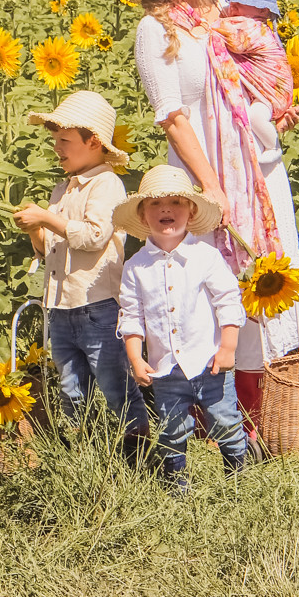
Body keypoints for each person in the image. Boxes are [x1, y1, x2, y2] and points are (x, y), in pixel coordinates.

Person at [101, 0, 299, 431]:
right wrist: (211, 188)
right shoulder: (155, 31)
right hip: (203, 178)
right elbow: (172, 117)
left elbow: (260, 68)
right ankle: (216, 420)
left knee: (264, 276)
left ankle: (272, 415)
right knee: (210, 288)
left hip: (259, 170)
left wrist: (280, 109)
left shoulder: (225, 9)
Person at [13, 90, 149, 442]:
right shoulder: (63, 189)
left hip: (97, 306)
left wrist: (45, 216)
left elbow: (92, 237)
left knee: (114, 386)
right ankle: (83, 455)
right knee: (71, 391)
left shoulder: (107, 184)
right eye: (55, 140)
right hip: (60, 306)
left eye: (64, 140)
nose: (57, 148)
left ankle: (139, 453)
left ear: (93, 141)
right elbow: (49, 250)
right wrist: (35, 230)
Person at [116, 165, 249, 491]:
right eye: (155, 203)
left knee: (224, 421)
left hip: (210, 363)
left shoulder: (206, 257)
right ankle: (177, 489)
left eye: (176, 201)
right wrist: (136, 360)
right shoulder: (136, 267)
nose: (166, 209)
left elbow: (229, 302)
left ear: (191, 212)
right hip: (165, 370)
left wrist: (228, 348)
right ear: (143, 215)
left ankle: (239, 483)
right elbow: (131, 317)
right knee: (172, 429)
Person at [217, 0, 294, 155]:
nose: (232, 7)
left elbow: (234, 41)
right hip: (268, 91)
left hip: (272, 94)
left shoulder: (255, 29)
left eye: (239, 4)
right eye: (232, 3)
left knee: (255, 118)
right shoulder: (254, 25)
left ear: (262, 11)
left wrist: (207, 24)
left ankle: (273, 146)